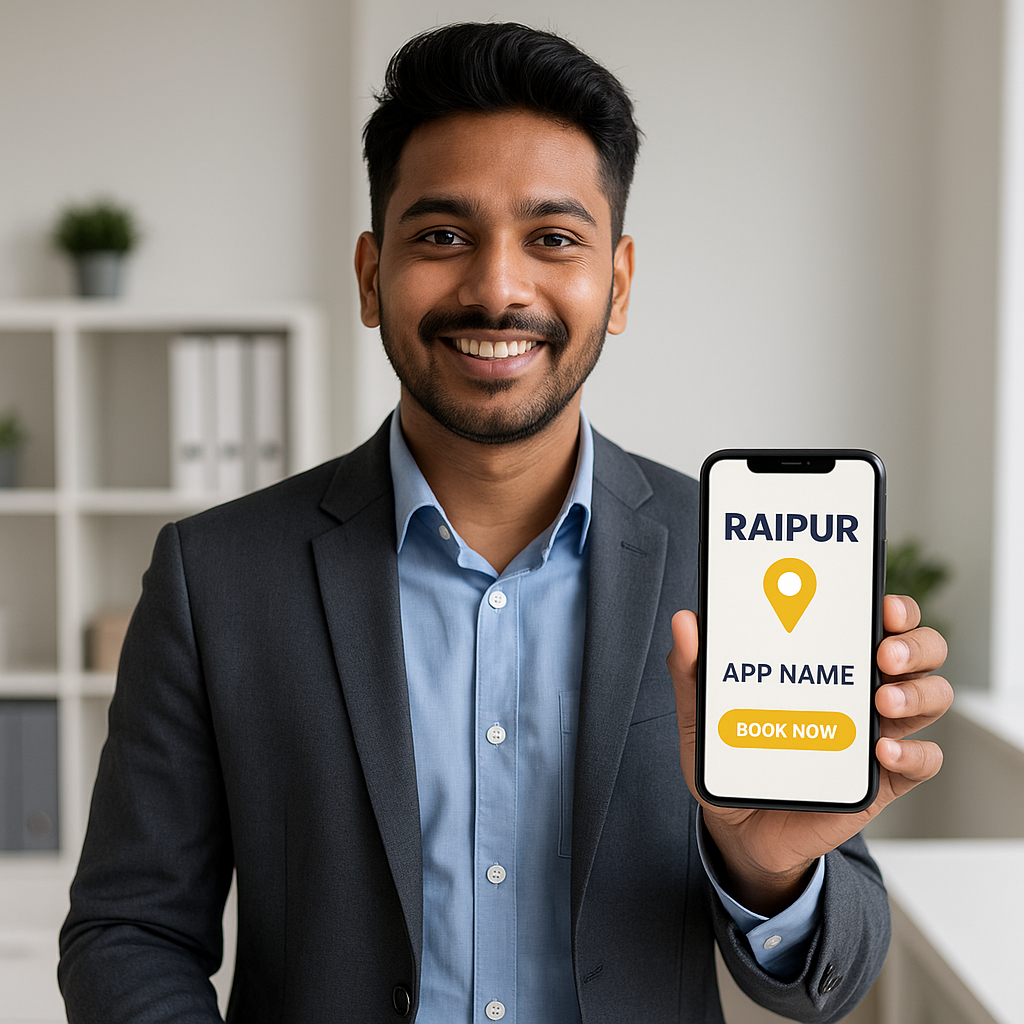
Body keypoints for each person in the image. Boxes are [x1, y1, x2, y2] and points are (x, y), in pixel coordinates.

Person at [59, 22, 952, 1024]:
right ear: (369, 275)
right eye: (442, 235)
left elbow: (836, 970)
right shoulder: (214, 575)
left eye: (552, 239)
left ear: (615, 284)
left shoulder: (733, 557)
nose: (495, 286)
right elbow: (130, 930)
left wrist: (769, 875)